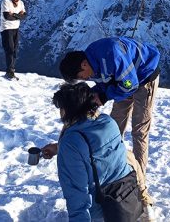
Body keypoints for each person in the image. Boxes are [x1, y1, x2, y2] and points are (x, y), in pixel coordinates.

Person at [59, 37, 160, 198]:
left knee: (139, 131)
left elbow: (130, 85)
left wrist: (105, 96)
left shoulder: (112, 54)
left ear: (83, 64)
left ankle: (139, 181)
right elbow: (106, 82)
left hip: (144, 77)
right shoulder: (91, 64)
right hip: (121, 82)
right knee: (114, 127)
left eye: (81, 76)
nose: (84, 79)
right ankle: (111, 170)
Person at [42, 83, 142, 222]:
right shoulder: (107, 121)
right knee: (128, 155)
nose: (60, 112)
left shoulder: (70, 142)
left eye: (62, 108)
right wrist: (58, 148)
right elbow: (93, 147)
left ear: (69, 110)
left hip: (101, 208)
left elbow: (76, 193)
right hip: (126, 196)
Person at [0, 0, 26, 79]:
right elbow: (6, 16)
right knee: (9, 49)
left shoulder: (21, 3)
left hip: (16, 29)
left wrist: (13, 14)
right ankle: (9, 71)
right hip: (6, 29)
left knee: (14, 50)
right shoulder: (6, 2)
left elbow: (24, 16)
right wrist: (18, 15)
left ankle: (12, 70)